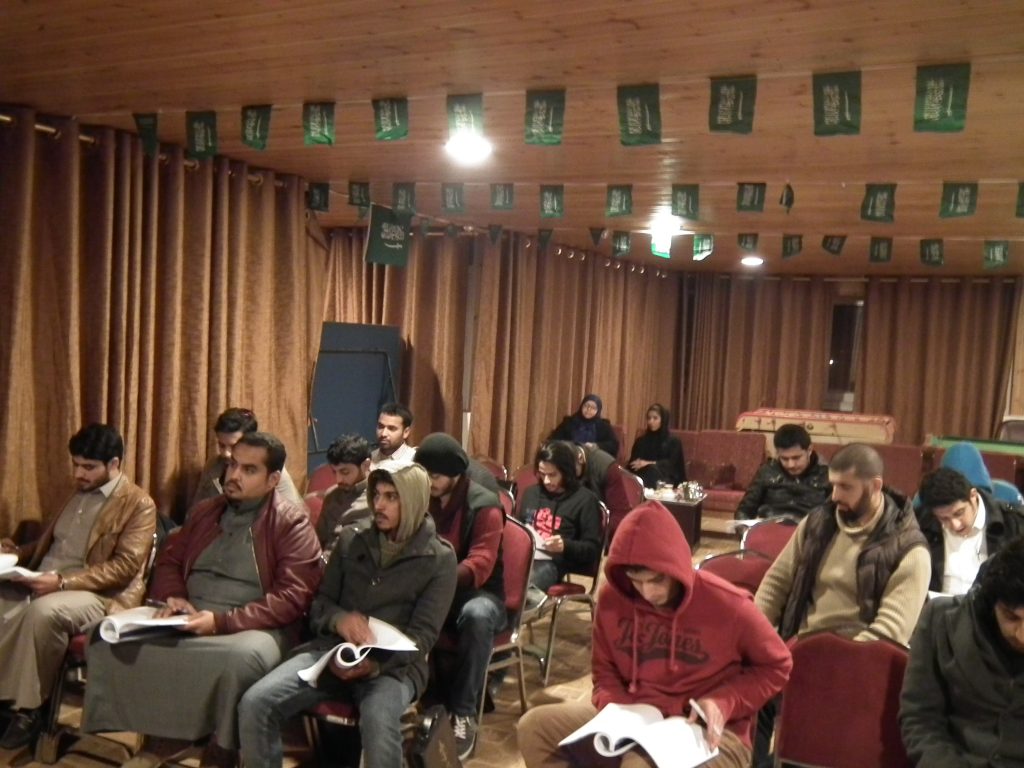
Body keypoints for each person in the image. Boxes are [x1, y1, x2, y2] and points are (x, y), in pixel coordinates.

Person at [82, 432, 321, 768]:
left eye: (249, 470)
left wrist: (222, 622)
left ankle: (221, 747)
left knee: (240, 660)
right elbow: (169, 560)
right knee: (107, 638)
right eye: (233, 465)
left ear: (272, 480)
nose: (234, 475)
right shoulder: (205, 511)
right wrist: (175, 597)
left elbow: (292, 597)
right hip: (190, 614)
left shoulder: (291, 522)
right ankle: (158, 737)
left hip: (256, 626)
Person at [517, 500, 792, 768]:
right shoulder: (613, 598)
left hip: (708, 727)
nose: (648, 593)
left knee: (638, 764)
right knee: (536, 728)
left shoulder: (731, 605)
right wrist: (618, 713)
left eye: (658, 580)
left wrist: (725, 701)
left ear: (677, 568)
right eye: (636, 581)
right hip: (637, 715)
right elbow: (604, 673)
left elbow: (778, 665)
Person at [238, 461, 457, 768]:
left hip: (394, 667)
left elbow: (422, 637)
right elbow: (321, 604)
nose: (379, 505)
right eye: (376, 495)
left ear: (413, 500)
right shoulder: (353, 538)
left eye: (391, 497)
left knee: (379, 722)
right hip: (332, 652)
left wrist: (375, 665)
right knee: (256, 702)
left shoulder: (440, 559)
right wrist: (339, 620)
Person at [752, 443, 931, 768]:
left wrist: (822, 667)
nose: (834, 495)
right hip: (798, 655)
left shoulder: (910, 550)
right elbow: (776, 583)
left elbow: (888, 634)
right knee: (747, 690)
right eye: (832, 485)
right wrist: (756, 640)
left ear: (875, 486)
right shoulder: (817, 523)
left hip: (859, 670)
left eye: (845, 487)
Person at [0, 424, 156, 751]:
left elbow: (124, 568)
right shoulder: (74, 493)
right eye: (76, 464)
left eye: (88, 467)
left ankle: (30, 709)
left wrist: (61, 582)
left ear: (114, 464)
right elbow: (53, 545)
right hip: (46, 578)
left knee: (44, 612)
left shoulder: (138, 503)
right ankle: (6, 699)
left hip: (97, 594)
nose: (78, 474)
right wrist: (15, 555)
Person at [414, 433, 505, 759]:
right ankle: (407, 698)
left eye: (435, 476)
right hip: (434, 590)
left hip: (478, 593)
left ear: (455, 475)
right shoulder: (423, 497)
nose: (429, 482)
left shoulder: (484, 505)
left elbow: (481, 563)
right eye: (424, 475)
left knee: (477, 615)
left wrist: (436, 578)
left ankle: (464, 712)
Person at [900, 535, 1024, 766]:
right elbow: (920, 717)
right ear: (991, 602)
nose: (1021, 635)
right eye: (1011, 617)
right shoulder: (941, 621)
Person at [916, 466, 1024, 595]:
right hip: (937, 605)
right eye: (944, 518)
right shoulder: (921, 523)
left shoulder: (1014, 523)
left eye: (959, 513)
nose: (955, 525)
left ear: (973, 496)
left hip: (991, 604)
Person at [517, 441, 603, 593]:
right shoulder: (531, 493)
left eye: (552, 475)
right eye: (542, 474)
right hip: (524, 556)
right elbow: (518, 528)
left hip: (554, 563)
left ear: (566, 472)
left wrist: (565, 546)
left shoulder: (585, 500)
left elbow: (592, 550)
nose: (546, 481)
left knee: (520, 585)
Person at [191, 407, 304, 512]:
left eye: (233, 446)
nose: (226, 453)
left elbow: (294, 514)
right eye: (221, 445)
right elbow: (197, 509)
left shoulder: (270, 468)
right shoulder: (213, 465)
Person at [734, 424, 831, 521]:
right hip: (771, 526)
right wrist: (746, 529)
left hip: (809, 528)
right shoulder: (768, 472)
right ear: (777, 453)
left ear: (809, 450)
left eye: (796, 458)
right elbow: (744, 511)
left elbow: (834, 515)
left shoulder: (826, 475)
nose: (791, 465)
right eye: (784, 458)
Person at [313, 433, 371, 560]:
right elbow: (318, 540)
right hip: (324, 562)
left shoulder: (376, 498)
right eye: (334, 472)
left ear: (365, 465)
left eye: (345, 472)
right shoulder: (332, 495)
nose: (338, 479)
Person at [628, 403, 685, 489]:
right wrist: (637, 464)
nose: (651, 421)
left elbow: (672, 465)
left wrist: (648, 463)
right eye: (649, 418)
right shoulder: (641, 441)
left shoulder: (673, 441)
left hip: (665, 477)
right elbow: (633, 463)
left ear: (663, 420)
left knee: (651, 471)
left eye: (655, 418)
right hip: (642, 475)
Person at [549, 394, 619, 458]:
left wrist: (596, 446)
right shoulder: (569, 421)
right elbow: (554, 439)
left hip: (592, 458)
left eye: (593, 408)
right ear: (581, 406)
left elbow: (613, 445)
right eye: (586, 406)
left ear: (598, 410)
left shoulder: (603, 426)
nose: (588, 409)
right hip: (569, 456)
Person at [369, 402, 416, 469]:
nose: (383, 434)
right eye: (380, 427)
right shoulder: (368, 459)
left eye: (391, 429)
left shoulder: (414, 461)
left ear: (406, 432)